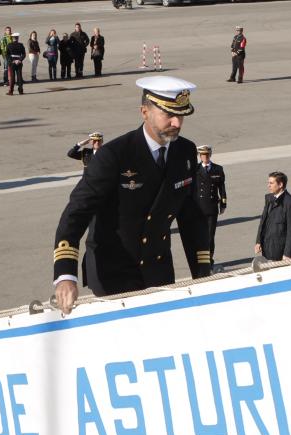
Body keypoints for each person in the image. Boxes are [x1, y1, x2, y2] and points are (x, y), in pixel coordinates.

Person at [52, 76, 211, 312]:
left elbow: (191, 218)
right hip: (114, 272)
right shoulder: (114, 156)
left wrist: (203, 274)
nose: (177, 123)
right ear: (144, 112)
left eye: (181, 115)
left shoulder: (185, 152)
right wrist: (65, 275)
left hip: (158, 269)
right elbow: (76, 213)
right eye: (169, 115)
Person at [186, 145, 226, 274]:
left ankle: (209, 260)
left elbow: (222, 188)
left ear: (210, 155)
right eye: (203, 155)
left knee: (210, 236)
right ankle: (200, 261)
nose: (205, 157)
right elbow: (191, 190)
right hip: (198, 208)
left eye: (207, 155)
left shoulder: (218, 169)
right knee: (198, 236)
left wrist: (223, 203)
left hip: (211, 208)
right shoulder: (195, 170)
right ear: (200, 156)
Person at [255, 171, 291, 261]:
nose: (268, 185)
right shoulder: (269, 199)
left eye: (271, 183)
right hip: (267, 246)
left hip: (280, 250)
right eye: (268, 183)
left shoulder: (290, 203)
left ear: (280, 185)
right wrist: (258, 241)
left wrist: (288, 253)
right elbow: (263, 221)